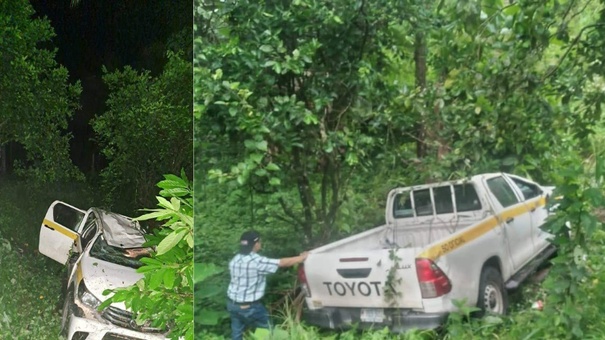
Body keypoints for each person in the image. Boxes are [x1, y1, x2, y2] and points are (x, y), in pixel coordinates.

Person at [227, 230, 308, 340]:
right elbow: (282, 263)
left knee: (237, 334)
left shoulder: (235, 259)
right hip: (249, 307)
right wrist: (301, 258)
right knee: (268, 330)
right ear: (256, 244)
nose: (261, 244)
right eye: (260, 242)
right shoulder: (256, 261)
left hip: (232, 305)